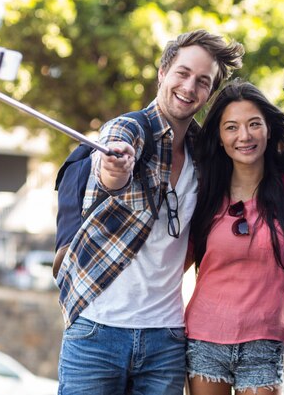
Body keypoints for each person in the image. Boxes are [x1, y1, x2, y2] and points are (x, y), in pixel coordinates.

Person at [55, 29, 244, 395]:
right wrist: (116, 169)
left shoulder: (204, 154)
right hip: (97, 331)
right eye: (183, 73)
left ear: (209, 93)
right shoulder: (129, 129)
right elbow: (112, 162)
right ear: (162, 72)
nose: (189, 87)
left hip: (166, 339)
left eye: (202, 81)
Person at [184, 79, 284, 395]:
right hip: (205, 336)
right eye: (232, 127)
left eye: (253, 124)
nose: (244, 136)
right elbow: (178, 260)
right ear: (220, 138)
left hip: (265, 339)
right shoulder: (205, 193)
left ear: (268, 129)